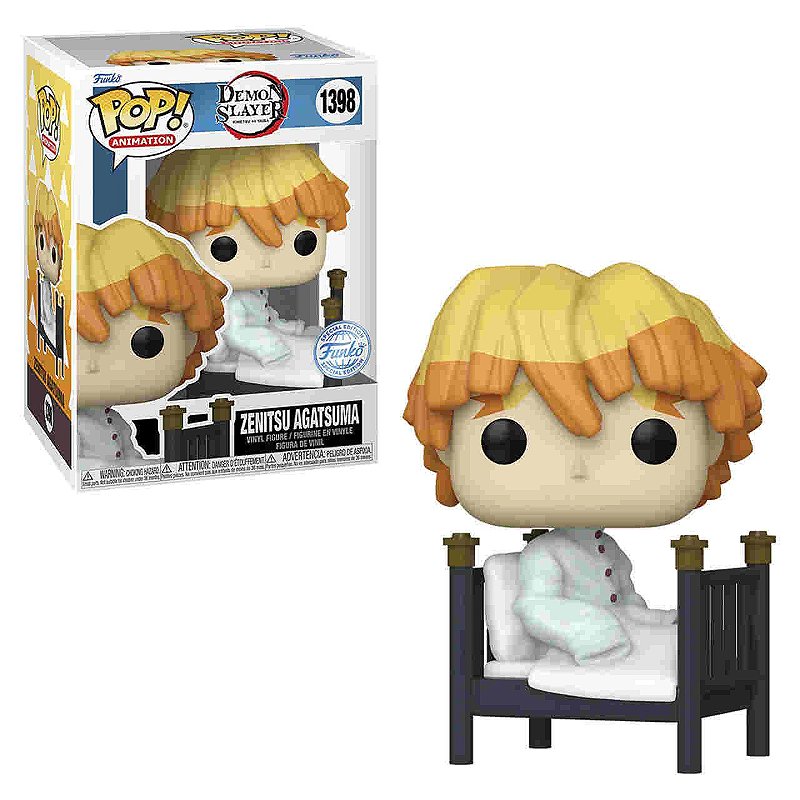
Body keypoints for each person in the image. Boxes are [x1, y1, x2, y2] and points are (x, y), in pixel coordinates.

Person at [404, 262, 766, 664]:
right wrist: (593, 634)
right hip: (583, 651)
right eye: (505, 442)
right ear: (445, 445)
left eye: (653, 441)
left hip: (619, 644)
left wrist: (657, 620)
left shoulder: (607, 550)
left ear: (714, 441)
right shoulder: (544, 555)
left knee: (683, 646)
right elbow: (534, 607)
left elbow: (625, 601)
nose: (579, 468)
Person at [146, 144, 349, 387]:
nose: (266, 260)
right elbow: (234, 332)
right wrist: (271, 348)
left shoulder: (250, 291)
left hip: (249, 345)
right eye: (224, 247)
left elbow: (256, 314)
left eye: (303, 242)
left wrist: (278, 326)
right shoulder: (223, 302)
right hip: (223, 360)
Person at [77, 218, 226, 469]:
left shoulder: (117, 422)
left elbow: (131, 459)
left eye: (146, 342)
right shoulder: (73, 424)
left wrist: (152, 467)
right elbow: (76, 463)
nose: (92, 365)